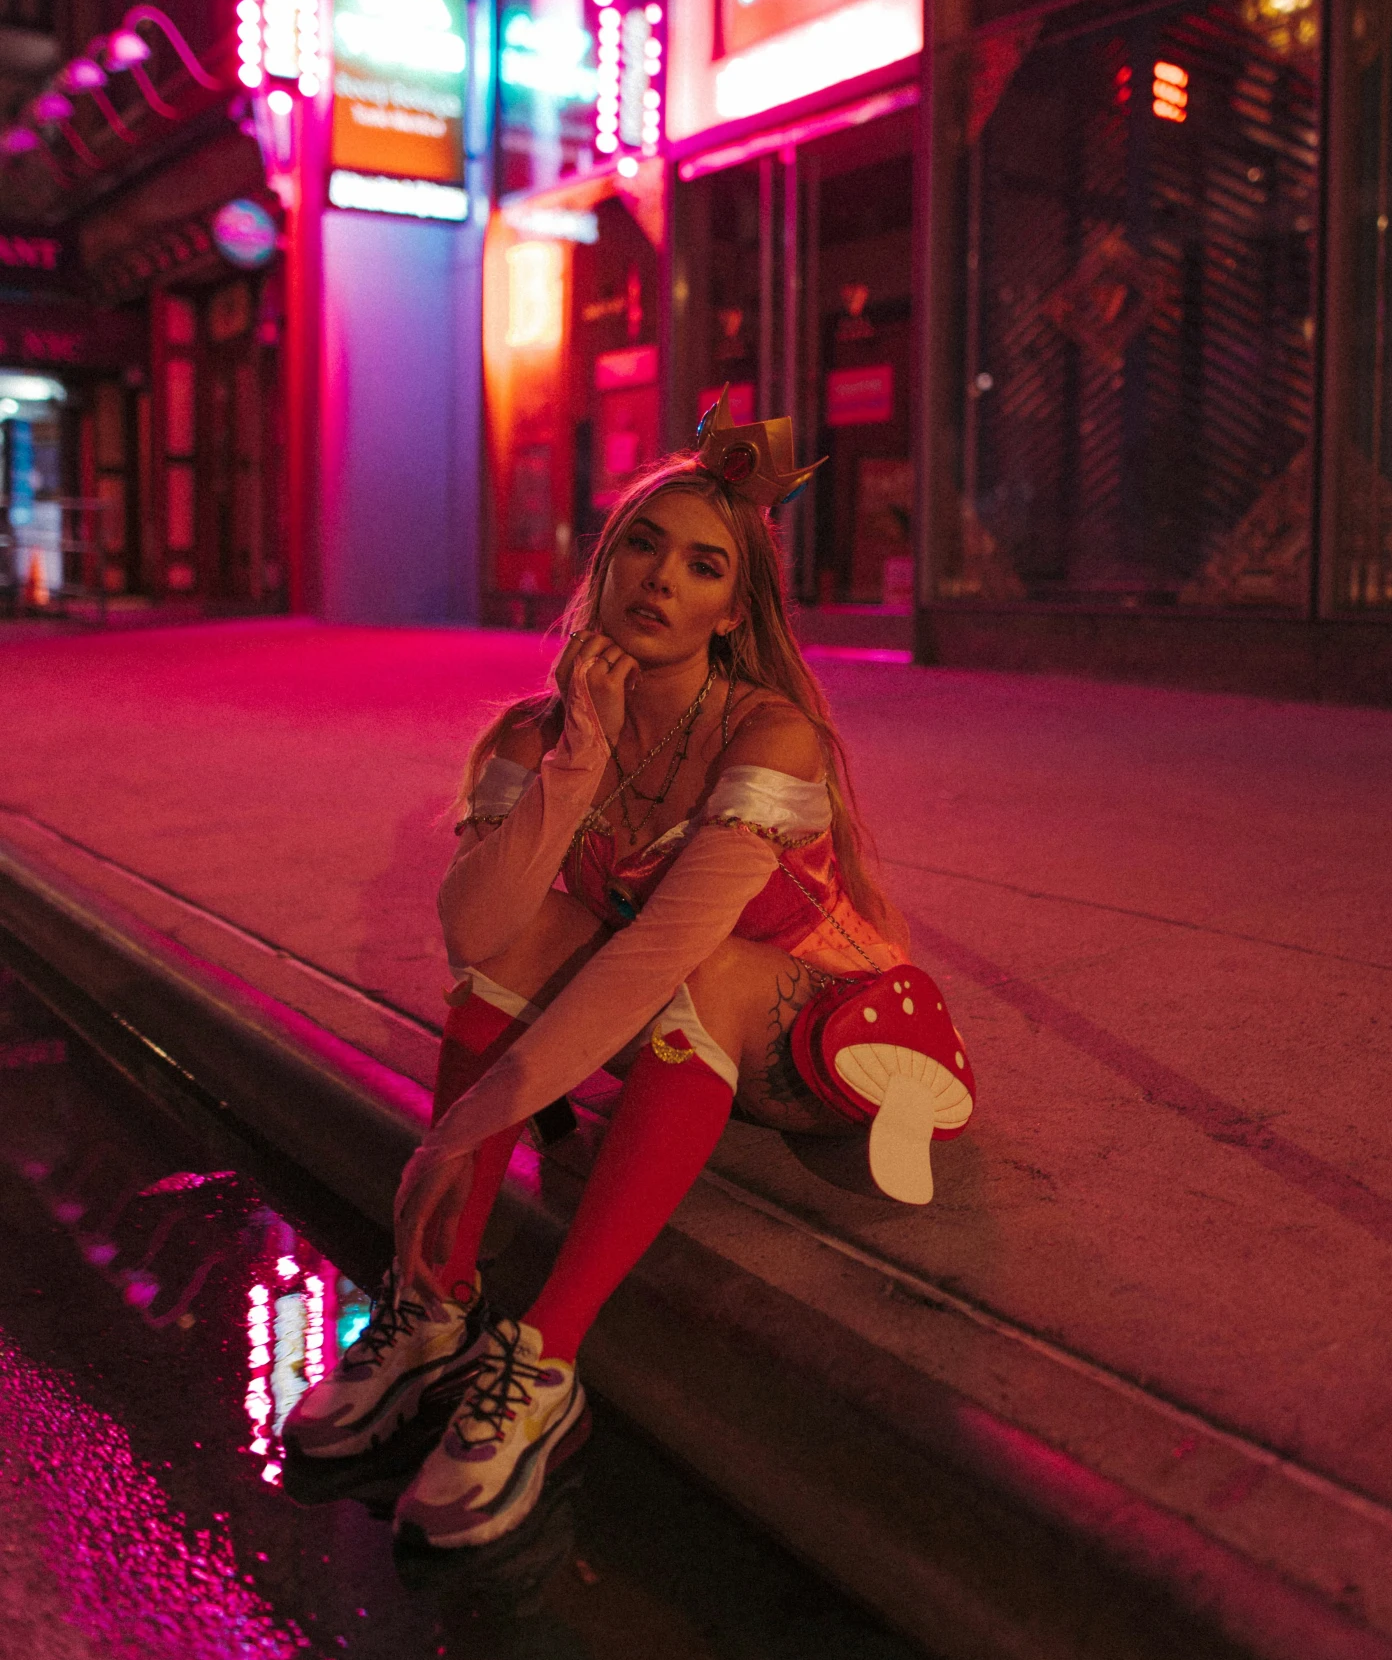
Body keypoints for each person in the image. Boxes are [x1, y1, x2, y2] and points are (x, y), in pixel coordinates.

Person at [283, 396, 973, 1550]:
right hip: (671, 1021)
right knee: (526, 936)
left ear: (732, 609)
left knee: (701, 975)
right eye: (643, 546)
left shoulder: (768, 737)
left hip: (833, 1033)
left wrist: (456, 1133)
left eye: (703, 565)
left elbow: (661, 952)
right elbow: (475, 933)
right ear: (604, 566)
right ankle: (436, 1306)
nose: (661, 579)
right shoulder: (539, 730)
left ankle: (542, 1365)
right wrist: (580, 757)